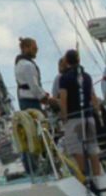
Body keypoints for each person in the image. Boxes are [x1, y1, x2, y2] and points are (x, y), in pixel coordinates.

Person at [53, 47, 99, 177]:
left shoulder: (64, 78)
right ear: (79, 60)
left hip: (74, 118)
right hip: (88, 116)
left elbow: (63, 99)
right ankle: (98, 176)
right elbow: (93, 97)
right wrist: (97, 112)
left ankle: (84, 177)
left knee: (76, 150)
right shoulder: (87, 77)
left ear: (67, 61)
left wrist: (64, 117)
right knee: (92, 149)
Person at [12, 37, 46, 175]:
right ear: (25, 48)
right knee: (35, 131)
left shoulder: (19, 64)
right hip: (31, 102)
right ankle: (34, 166)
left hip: (24, 100)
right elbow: (34, 86)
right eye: (34, 47)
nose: (36, 49)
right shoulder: (27, 65)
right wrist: (45, 98)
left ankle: (31, 165)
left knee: (28, 132)